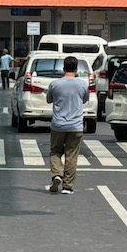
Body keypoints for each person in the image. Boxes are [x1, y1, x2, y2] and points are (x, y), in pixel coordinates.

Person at [44, 55, 89, 194]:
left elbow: (48, 100)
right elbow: (85, 100)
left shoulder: (55, 84)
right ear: (76, 69)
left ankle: (57, 173)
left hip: (58, 124)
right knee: (71, 155)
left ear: (63, 68)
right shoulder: (82, 84)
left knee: (55, 151)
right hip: (75, 125)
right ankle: (67, 186)